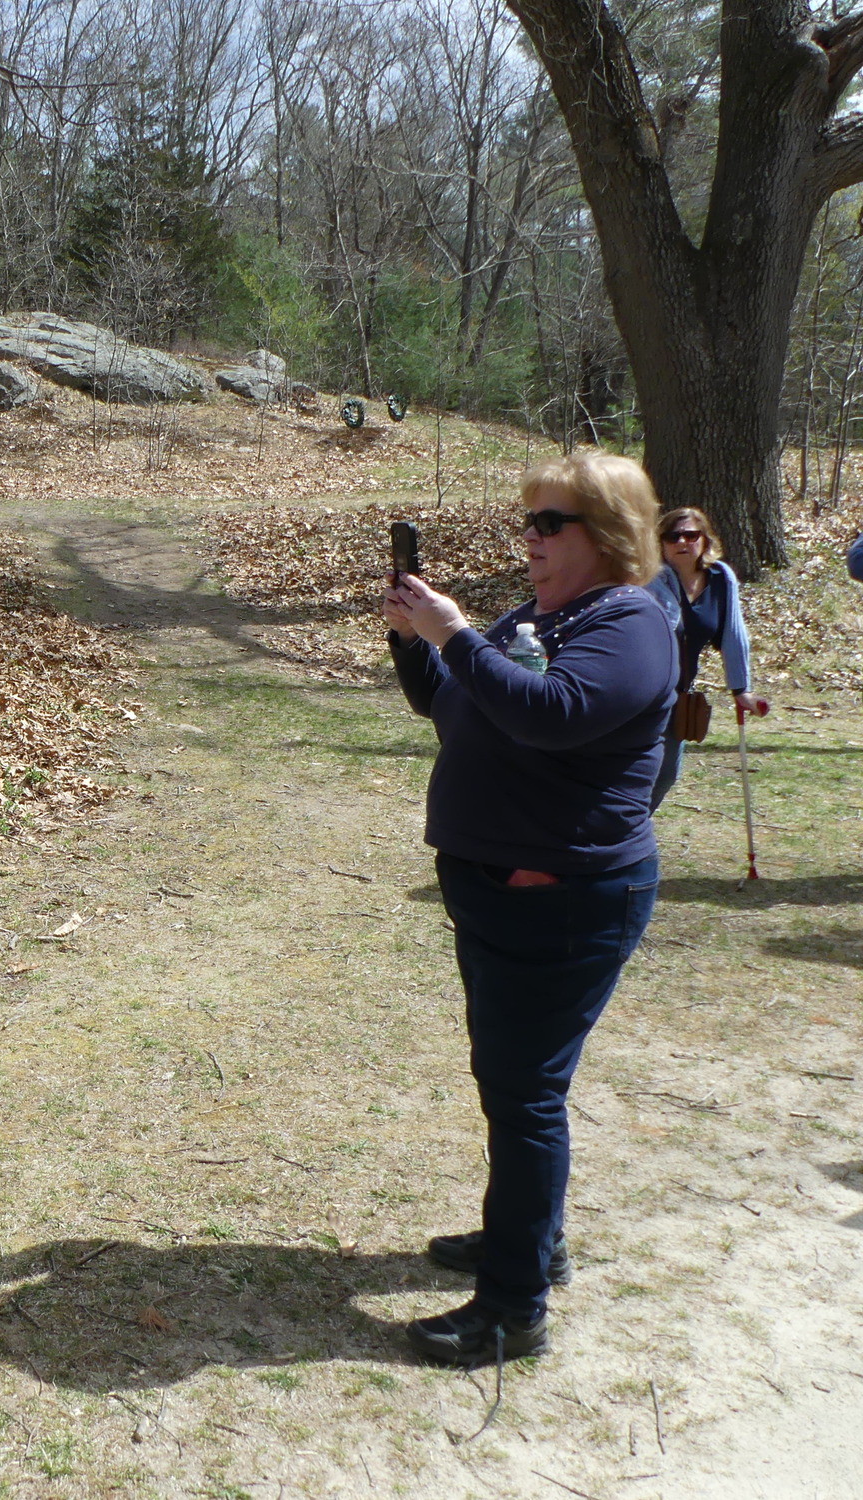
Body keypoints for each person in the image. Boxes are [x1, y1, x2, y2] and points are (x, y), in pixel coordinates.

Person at [383, 450, 676, 1367]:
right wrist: (412, 635)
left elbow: (550, 713)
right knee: (514, 1087)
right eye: (528, 521)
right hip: (504, 893)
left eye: (551, 524)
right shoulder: (543, 615)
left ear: (611, 533)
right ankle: (531, 1241)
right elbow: (453, 702)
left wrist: (458, 632)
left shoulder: (631, 623)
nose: (531, 540)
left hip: (564, 900)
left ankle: (514, 1307)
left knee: (525, 1096)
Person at [643, 507, 767, 810]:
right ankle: (618, 842)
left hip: (678, 695)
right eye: (672, 537)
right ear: (660, 544)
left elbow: (732, 635)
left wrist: (742, 690)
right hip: (640, 695)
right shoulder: (648, 580)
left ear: (705, 540)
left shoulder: (721, 578)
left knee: (666, 775)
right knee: (638, 774)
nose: (682, 542)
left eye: (690, 535)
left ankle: (625, 838)